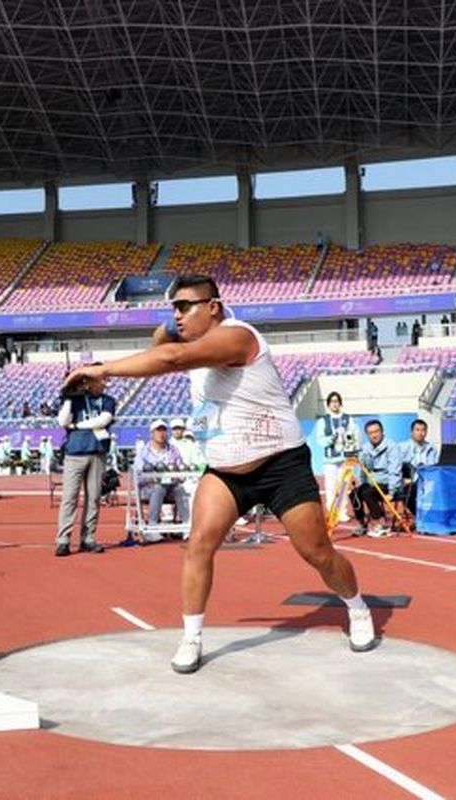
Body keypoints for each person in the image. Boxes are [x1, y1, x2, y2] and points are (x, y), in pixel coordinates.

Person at [65, 274, 377, 674]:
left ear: (213, 307)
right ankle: (191, 636)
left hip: (280, 463)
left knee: (315, 551)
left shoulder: (238, 337)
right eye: (172, 308)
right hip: (226, 470)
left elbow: (170, 359)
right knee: (199, 543)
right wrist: (171, 324)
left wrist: (103, 369)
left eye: (185, 307)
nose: (177, 315)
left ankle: (357, 607)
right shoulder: (186, 336)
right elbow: (163, 344)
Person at [55, 367, 116, 556]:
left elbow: (103, 420)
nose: (104, 384)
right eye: (101, 380)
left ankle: (88, 537)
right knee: (69, 498)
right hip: (75, 452)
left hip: (97, 452)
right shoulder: (76, 399)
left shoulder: (108, 401)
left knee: (94, 497)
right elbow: (62, 421)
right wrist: (68, 398)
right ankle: (63, 539)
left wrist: (77, 425)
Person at [134, 419, 190, 536]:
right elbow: (138, 471)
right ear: (152, 433)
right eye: (158, 431)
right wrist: (152, 478)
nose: (161, 434)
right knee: (159, 487)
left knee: (180, 489)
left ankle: (186, 525)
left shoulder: (173, 450)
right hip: (148, 489)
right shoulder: (144, 452)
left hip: (170, 488)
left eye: (164, 430)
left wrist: (178, 477)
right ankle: (152, 526)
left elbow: (179, 469)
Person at [351, 420, 403, 537]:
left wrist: (392, 491)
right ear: (367, 435)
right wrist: (360, 483)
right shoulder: (365, 448)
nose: (374, 435)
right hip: (372, 482)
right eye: (370, 433)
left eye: (376, 431)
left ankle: (382, 524)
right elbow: (362, 470)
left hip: (388, 482)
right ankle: (361, 524)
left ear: (382, 432)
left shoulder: (392, 446)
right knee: (355, 494)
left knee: (368, 493)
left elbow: (395, 471)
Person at [316, 392, 359, 524]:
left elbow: (356, 435)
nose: (335, 404)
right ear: (328, 404)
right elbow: (320, 440)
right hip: (330, 459)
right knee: (330, 486)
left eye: (337, 401)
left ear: (340, 403)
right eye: (332, 401)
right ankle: (331, 511)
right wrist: (331, 438)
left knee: (343, 486)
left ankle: (342, 512)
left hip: (345, 458)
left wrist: (352, 449)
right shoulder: (323, 421)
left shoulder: (348, 419)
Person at [399, 418, 439, 511]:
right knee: (410, 491)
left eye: (423, 430)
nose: (421, 433)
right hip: (411, 483)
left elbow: (437, 466)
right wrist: (403, 480)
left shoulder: (432, 448)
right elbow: (396, 468)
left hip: (430, 481)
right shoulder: (402, 447)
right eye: (417, 430)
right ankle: (420, 517)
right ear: (411, 432)